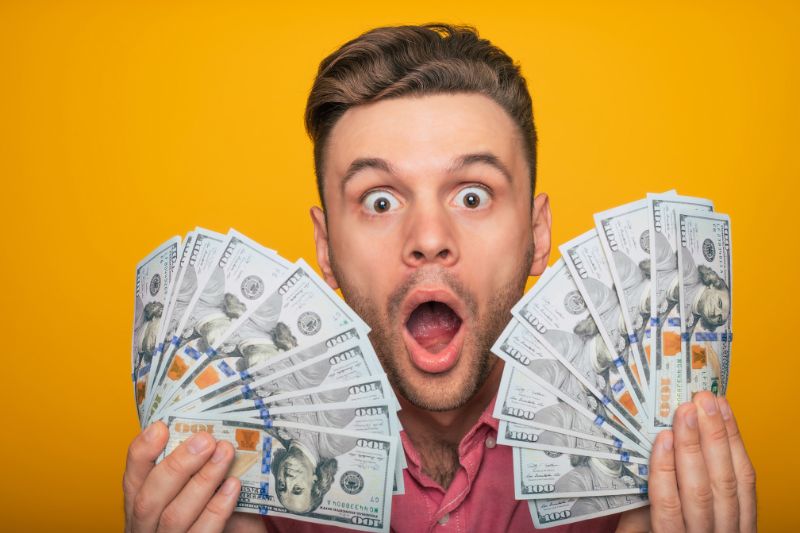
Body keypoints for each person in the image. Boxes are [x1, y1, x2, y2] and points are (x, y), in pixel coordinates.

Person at [122, 24, 756, 532]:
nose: (428, 239)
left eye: (473, 196)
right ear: (325, 249)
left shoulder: (651, 481)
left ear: (537, 235)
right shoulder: (238, 490)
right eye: (379, 200)